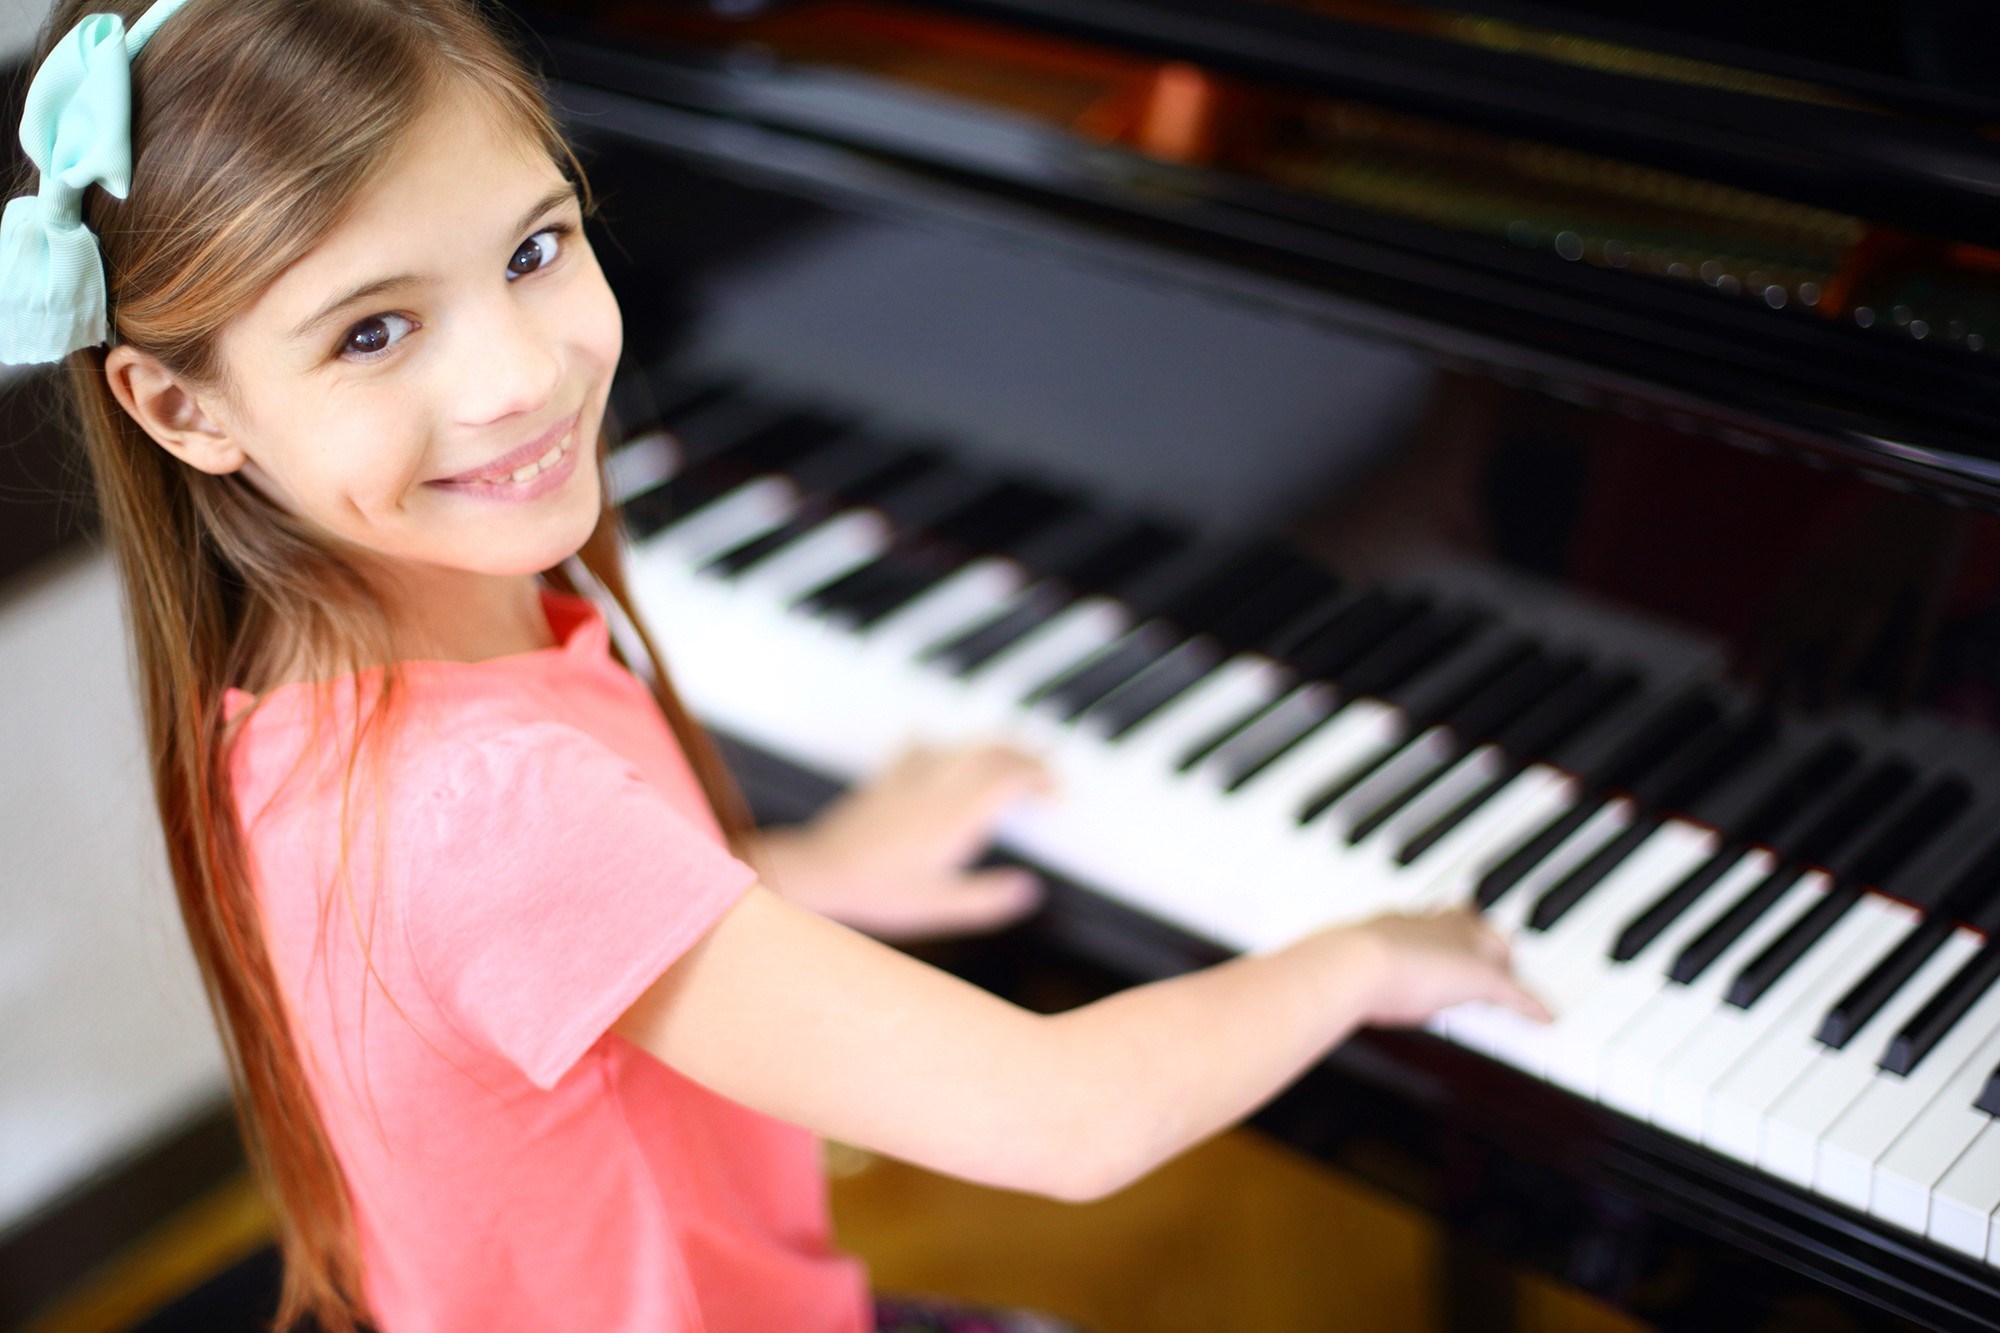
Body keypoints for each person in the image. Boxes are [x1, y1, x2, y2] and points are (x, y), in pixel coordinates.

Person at [0, 0, 1548, 1329]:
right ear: (182, 407)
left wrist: (801, 866)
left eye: (536, 247)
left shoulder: (297, 690)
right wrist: (1353, 959)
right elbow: (1067, 1119)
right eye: (371, 334)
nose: (524, 373)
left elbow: (553, 961)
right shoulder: (483, 804)